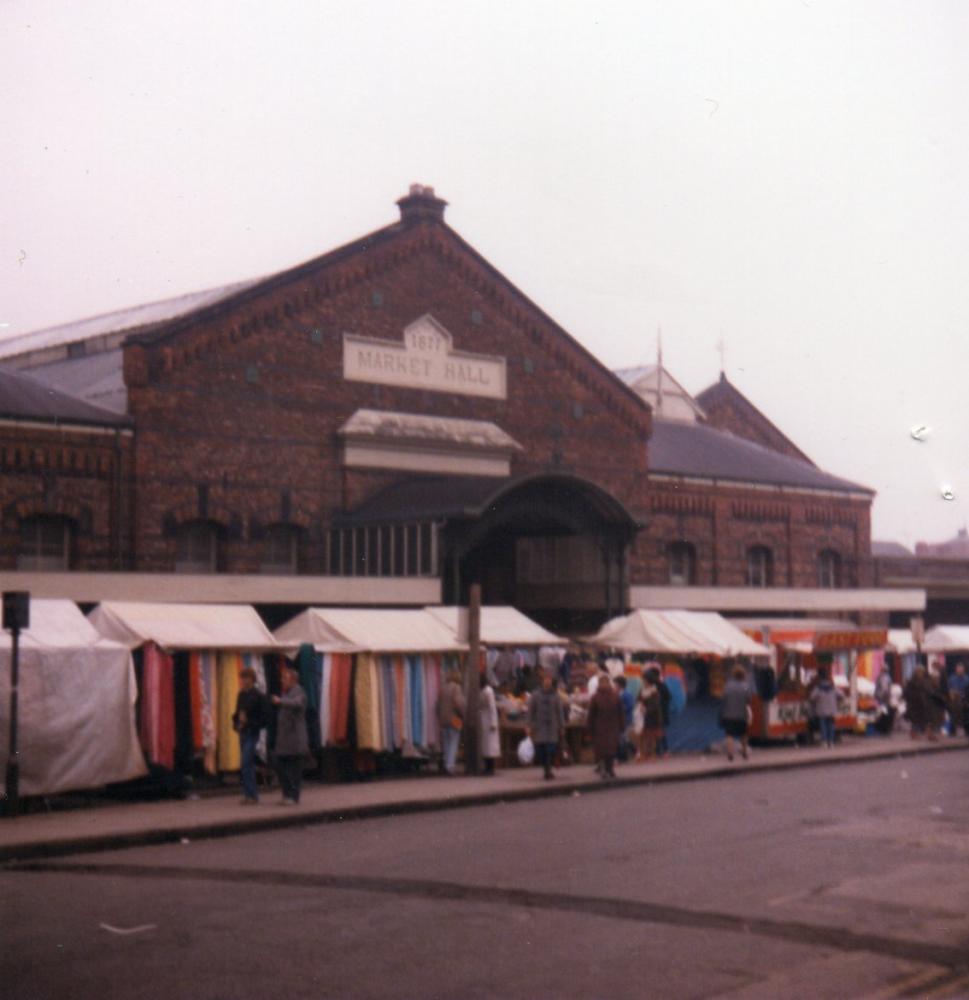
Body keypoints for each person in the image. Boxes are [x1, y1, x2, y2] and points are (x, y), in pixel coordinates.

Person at [271, 665, 308, 805]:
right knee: (281, 767)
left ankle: (293, 797)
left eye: (284, 678)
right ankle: (287, 795)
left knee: (294, 771)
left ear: (293, 680)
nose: (281, 681)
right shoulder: (286, 692)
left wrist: (280, 701)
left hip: (295, 740)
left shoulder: (299, 692)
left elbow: (297, 704)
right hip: (284, 740)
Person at [232, 666, 269, 804]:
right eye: (242, 678)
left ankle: (253, 795)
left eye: (246, 678)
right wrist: (236, 724)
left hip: (252, 732)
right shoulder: (241, 694)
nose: (244, 681)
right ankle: (249, 794)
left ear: (252, 679)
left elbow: (264, 718)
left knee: (246, 762)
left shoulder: (259, 696)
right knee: (247, 764)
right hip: (243, 731)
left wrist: (250, 722)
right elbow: (237, 713)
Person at [526, 672, 565, 779]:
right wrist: (528, 725)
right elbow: (531, 711)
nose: (547, 681)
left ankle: (548, 770)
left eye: (549, 679)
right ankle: (545, 768)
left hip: (552, 727)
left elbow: (559, 711)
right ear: (542, 681)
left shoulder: (556, 695)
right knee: (541, 750)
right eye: (545, 679)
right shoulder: (535, 695)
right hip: (540, 727)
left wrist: (562, 726)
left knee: (550, 749)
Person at [587, 672, 624, 779]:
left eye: (605, 682)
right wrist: (590, 727)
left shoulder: (613, 696)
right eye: (602, 683)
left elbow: (620, 712)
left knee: (607, 750)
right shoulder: (597, 697)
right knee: (604, 750)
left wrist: (621, 725)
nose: (603, 685)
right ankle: (606, 769)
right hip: (603, 727)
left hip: (608, 727)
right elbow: (591, 714)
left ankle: (608, 769)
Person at [720, 665, 752, 761]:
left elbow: (723, 698)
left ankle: (730, 754)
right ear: (743, 675)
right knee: (743, 734)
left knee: (729, 734)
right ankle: (744, 752)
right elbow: (748, 700)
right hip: (742, 714)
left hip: (728, 714)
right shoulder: (745, 686)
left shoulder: (728, 686)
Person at [437, 669, 466, 775]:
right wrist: (463, 714)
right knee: (454, 742)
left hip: (443, 719)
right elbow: (459, 703)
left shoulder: (443, 688)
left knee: (446, 743)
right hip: (455, 719)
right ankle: (450, 766)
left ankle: (446, 764)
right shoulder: (456, 688)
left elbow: (438, 704)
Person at [637, 668, 664, 761]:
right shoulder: (642, 690)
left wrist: (646, 709)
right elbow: (638, 699)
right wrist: (639, 705)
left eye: (644, 679)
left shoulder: (654, 691)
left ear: (649, 680)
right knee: (643, 736)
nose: (643, 681)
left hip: (653, 717)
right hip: (643, 717)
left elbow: (655, 704)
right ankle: (643, 754)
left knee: (651, 737)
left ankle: (652, 754)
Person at [810, 668, 839, 748]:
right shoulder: (833, 687)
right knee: (831, 726)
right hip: (832, 710)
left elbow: (812, 697)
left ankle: (824, 742)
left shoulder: (818, 688)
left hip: (822, 710)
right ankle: (831, 742)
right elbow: (841, 695)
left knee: (823, 726)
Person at [479, 673, 500, 775]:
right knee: (486, 745)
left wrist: (494, 722)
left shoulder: (488, 691)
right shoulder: (483, 690)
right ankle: (487, 767)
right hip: (484, 718)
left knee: (490, 746)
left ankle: (490, 768)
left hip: (489, 719)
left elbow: (492, 707)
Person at [904, 665, 931, 739]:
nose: (921, 674)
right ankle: (914, 734)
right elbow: (907, 693)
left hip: (921, 703)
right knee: (915, 720)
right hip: (914, 704)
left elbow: (925, 690)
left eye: (922, 672)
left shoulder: (923, 681)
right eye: (920, 672)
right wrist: (916, 696)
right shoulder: (912, 682)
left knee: (923, 719)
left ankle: (927, 734)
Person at [614, 675, 635, 760]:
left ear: (619, 685)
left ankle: (632, 752)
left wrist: (620, 709)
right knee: (622, 738)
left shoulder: (627, 694)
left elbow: (630, 705)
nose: (614, 686)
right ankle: (625, 755)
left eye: (615, 684)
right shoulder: (617, 694)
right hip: (620, 719)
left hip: (626, 719)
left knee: (624, 738)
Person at [948, 663, 969, 737]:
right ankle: (953, 731)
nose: (960, 671)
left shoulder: (967, 679)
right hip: (955, 700)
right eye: (959, 670)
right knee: (954, 715)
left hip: (965, 699)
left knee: (966, 715)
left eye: (961, 670)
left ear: (964, 670)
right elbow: (949, 689)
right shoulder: (952, 679)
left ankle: (966, 730)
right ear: (956, 670)